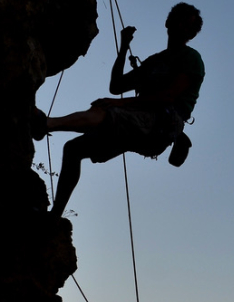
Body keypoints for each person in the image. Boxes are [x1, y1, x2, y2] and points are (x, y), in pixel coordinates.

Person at [31, 3, 205, 218]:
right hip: (141, 123)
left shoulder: (191, 59)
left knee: (105, 109)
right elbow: (117, 86)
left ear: (191, 33)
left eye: (186, 24)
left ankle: (46, 123)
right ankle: (54, 216)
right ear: (168, 23)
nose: (180, 26)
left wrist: (120, 103)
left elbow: (169, 96)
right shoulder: (154, 61)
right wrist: (123, 47)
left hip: (163, 121)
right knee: (73, 149)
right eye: (178, 19)